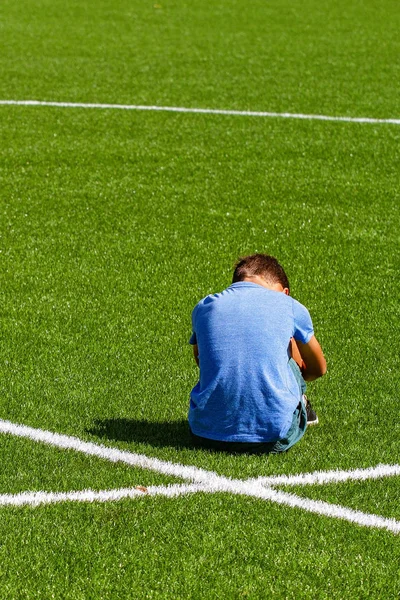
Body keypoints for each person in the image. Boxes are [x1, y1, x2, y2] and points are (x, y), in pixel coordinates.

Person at [188, 254, 327, 453]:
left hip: (204, 434)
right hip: (274, 437)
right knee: (285, 346)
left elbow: (202, 361)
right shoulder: (288, 305)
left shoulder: (204, 306)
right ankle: (301, 404)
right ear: (284, 291)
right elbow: (319, 368)